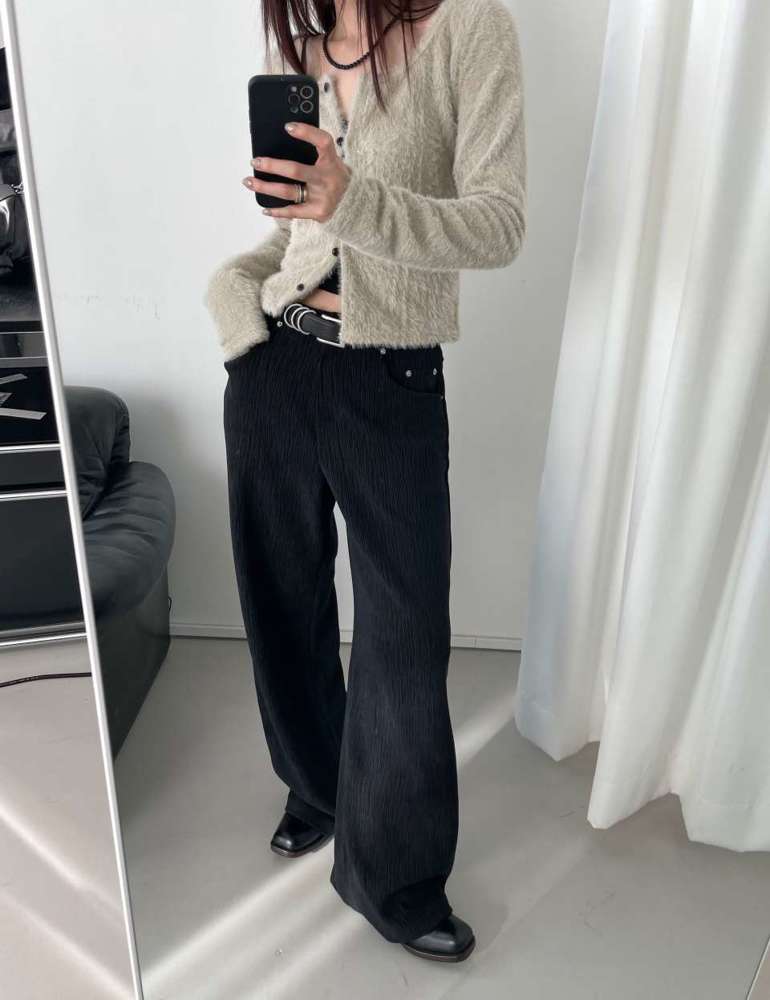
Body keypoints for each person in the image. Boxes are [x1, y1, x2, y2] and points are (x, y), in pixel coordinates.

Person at [205, 0, 526, 963]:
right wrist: (234, 293)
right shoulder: (302, 49)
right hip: (274, 367)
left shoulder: (470, 27)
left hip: (389, 378)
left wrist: (349, 199)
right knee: (281, 599)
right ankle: (317, 787)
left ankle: (394, 877)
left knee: (403, 633)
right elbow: (300, 242)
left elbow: (499, 224)